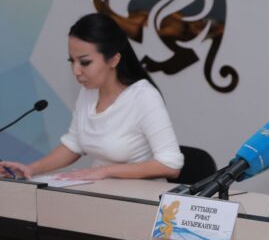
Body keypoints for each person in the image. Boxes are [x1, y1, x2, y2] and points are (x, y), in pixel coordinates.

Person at [0, 13, 183, 180]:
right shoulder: (88, 91)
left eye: (85, 62)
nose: (76, 71)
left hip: (135, 198)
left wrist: (106, 171)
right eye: (72, 61)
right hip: (97, 194)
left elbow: (170, 165)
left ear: (114, 59)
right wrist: (30, 169)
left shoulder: (144, 96)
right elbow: (74, 144)